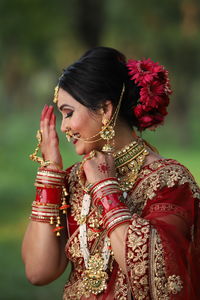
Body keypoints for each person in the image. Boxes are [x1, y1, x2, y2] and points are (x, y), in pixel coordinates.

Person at [22, 47, 200, 300]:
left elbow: (157, 278)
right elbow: (39, 272)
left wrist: (106, 188)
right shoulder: (74, 180)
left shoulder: (169, 181)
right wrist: (50, 173)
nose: (63, 127)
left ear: (105, 110)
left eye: (69, 113)